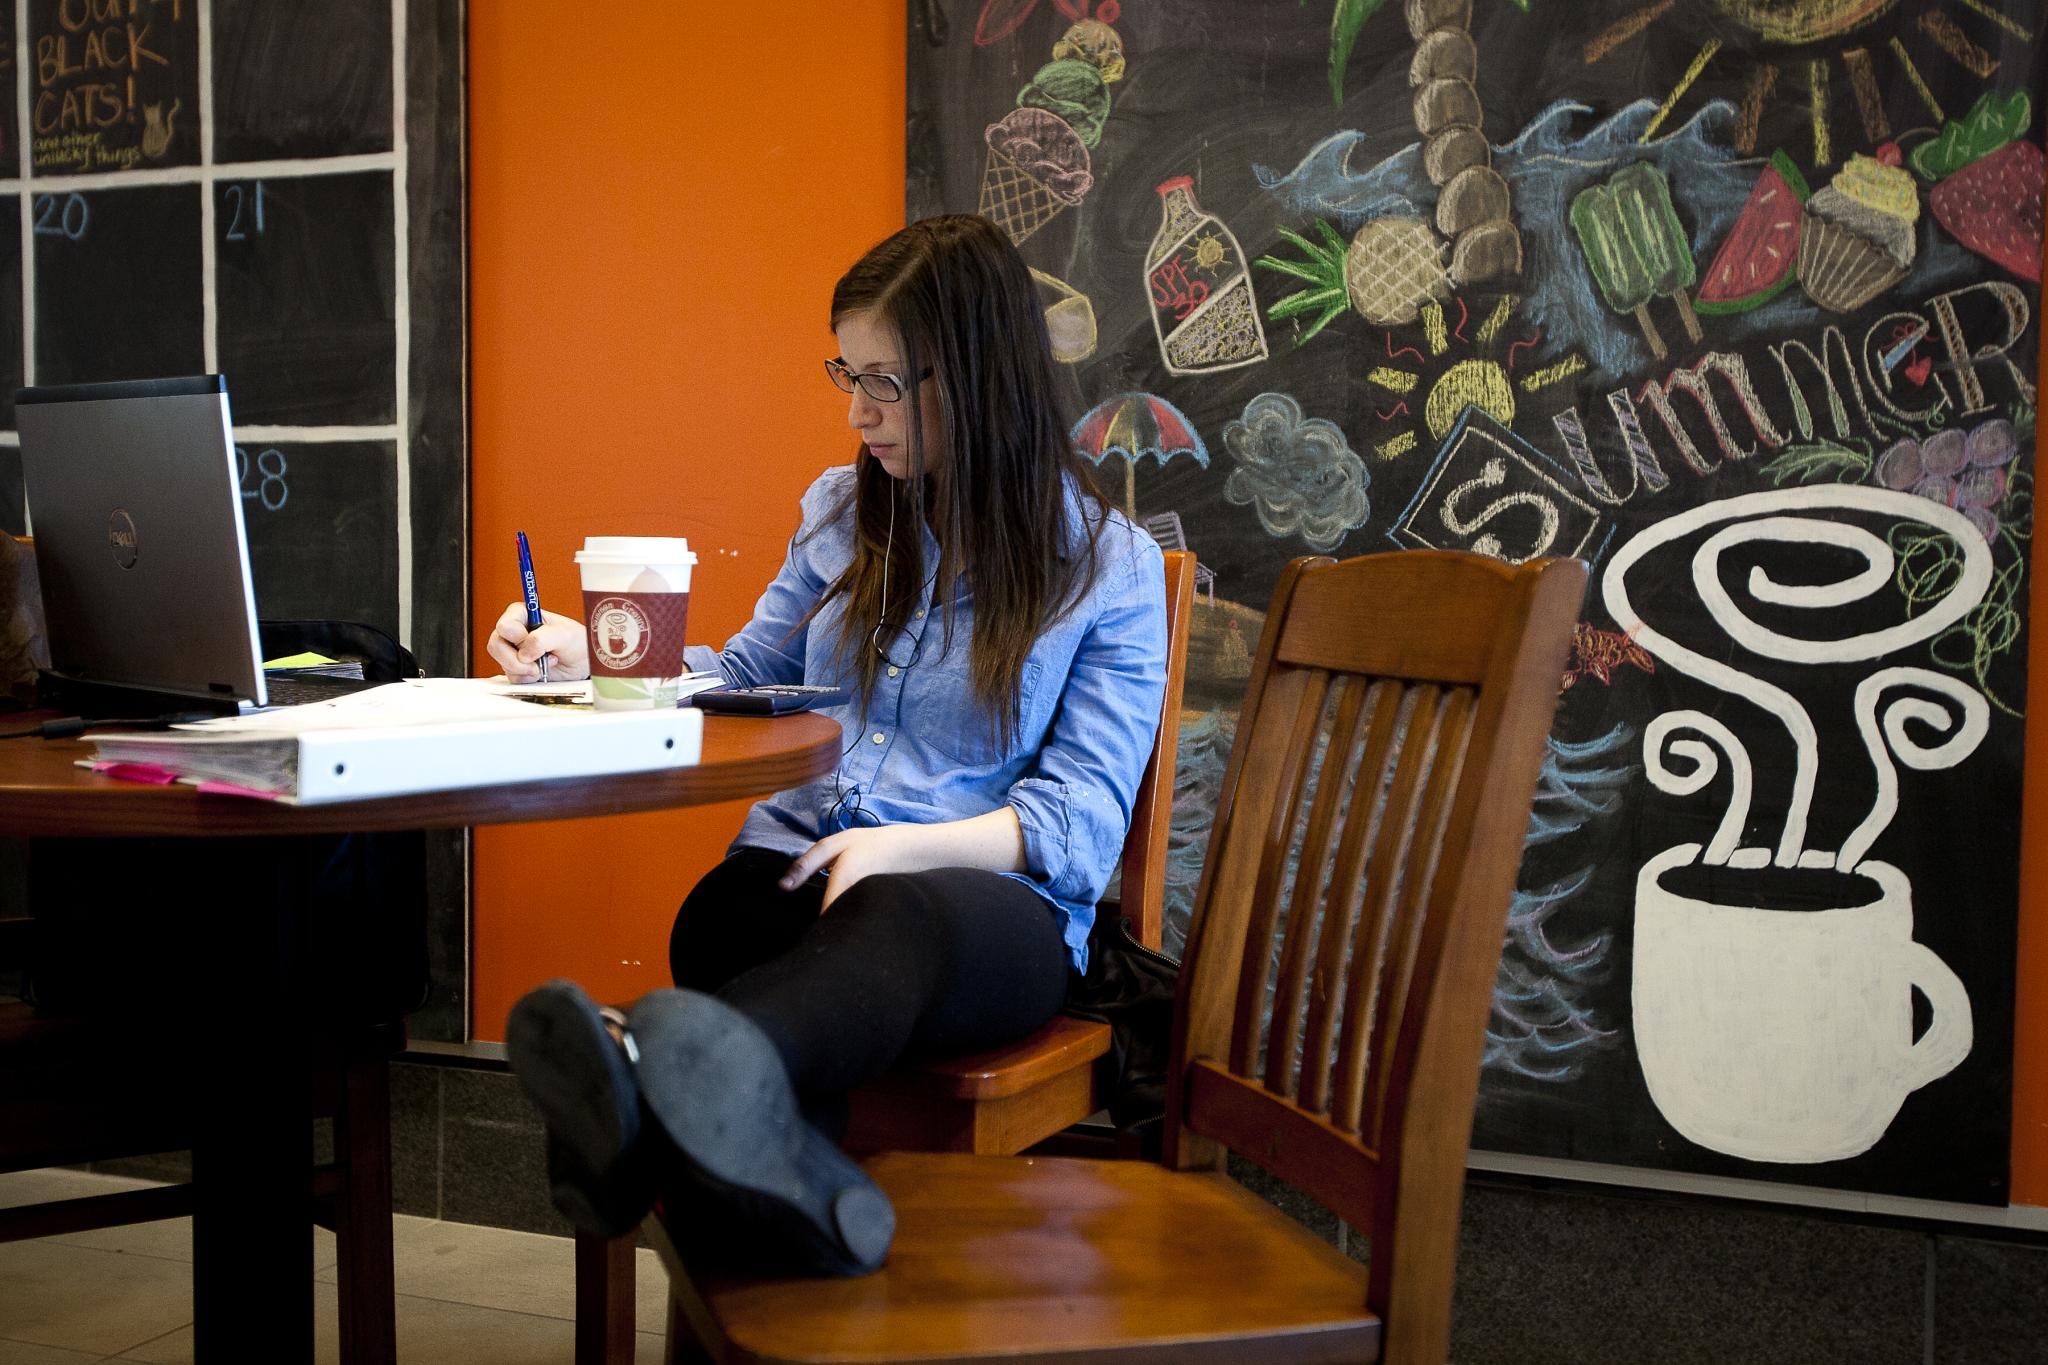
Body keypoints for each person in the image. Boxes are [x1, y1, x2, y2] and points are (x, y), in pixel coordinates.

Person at [484, 214, 1168, 1276]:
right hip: (807, 873)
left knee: (888, 908)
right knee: (718, 915)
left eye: (885, 382)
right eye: (845, 375)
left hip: (983, 915)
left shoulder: (1107, 569)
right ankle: (794, 1184)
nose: (857, 412)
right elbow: (751, 676)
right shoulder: (844, 512)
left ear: (978, 374)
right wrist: (595, 658)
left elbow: (1079, 822)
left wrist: (896, 849)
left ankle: (645, 1089)